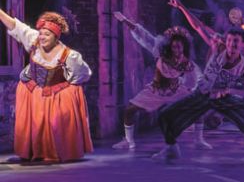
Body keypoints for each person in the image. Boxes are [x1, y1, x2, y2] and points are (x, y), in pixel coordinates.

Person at [153, 28, 244, 162]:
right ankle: (171, 148)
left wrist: (233, 88)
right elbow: (199, 27)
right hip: (202, 94)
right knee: (164, 115)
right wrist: (183, 9)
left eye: (236, 41)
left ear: (242, 45)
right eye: (229, 40)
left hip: (222, 99)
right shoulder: (219, 48)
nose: (232, 44)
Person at [0, 8, 93, 162]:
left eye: (47, 34)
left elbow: (83, 74)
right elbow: (15, 26)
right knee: (36, 124)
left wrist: (63, 89)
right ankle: (34, 151)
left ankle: (55, 152)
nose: (42, 37)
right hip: (33, 91)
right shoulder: (34, 40)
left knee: (54, 124)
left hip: (55, 94)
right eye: (41, 33)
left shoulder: (69, 55)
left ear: (56, 36)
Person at [111, 12, 201, 150]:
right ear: (170, 46)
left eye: (179, 46)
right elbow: (143, 35)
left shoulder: (187, 63)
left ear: (184, 46)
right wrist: (125, 20)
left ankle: (199, 140)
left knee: (198, 106)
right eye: (174, 46)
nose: (177, 49)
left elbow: (197, 77)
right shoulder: (160, 51)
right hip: (156, 90)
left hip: (176, 90)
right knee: (129, 110)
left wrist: (194, 91)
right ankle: (129, 141)